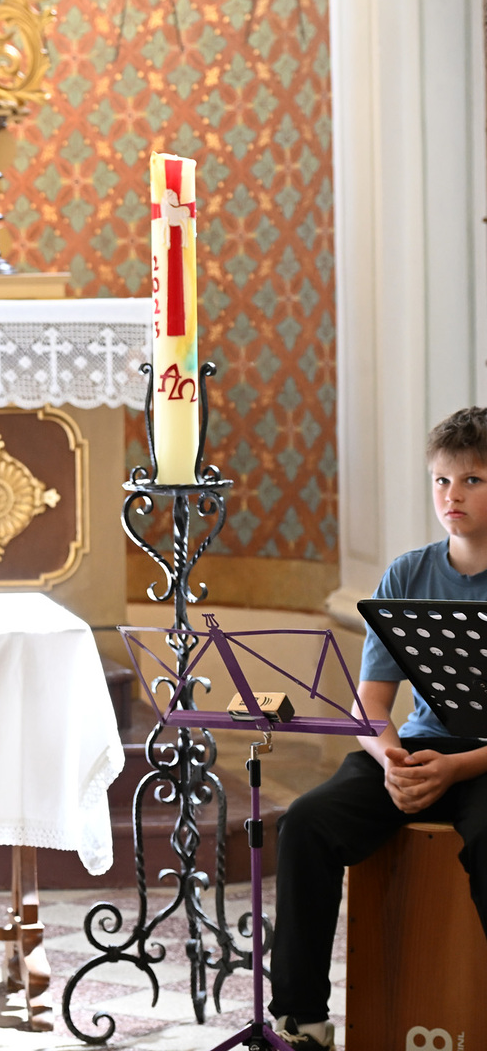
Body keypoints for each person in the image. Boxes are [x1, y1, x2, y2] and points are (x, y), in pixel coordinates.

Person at [269, 407, 487, 1048]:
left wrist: (457, 767)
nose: (452, 495)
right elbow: (369, 705)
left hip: (481, 761)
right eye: (441, 480)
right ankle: (303, 1022)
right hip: (415, 751)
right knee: (306, 822)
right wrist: (393, 760)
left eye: (472, 480)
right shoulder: (407, 574)